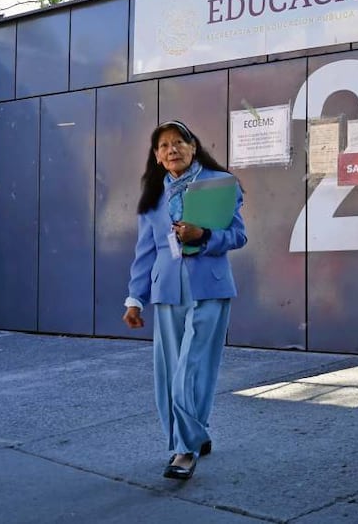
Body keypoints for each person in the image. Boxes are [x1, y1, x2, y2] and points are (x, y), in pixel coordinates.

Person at [122, 120, 247, 481]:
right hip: (166, 291)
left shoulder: (220, 183)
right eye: (163, 145)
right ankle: (194, 433)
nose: (172, 149)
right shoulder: (152, 197)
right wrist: (135, 299)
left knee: (191, 368)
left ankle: (184, 449)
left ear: (194, 147)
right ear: (157, 157)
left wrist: (204, 235)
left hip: (209, 287)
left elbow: (238, 235)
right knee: (169, 371)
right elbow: (145, 253)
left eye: (179, 142)